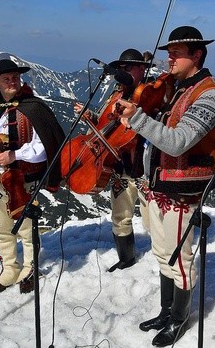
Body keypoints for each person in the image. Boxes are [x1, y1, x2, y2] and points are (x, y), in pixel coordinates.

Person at [116, 26, 215, 347]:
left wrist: (138, 118)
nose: (169, 58)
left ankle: (180, 319)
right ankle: (167, 310)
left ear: (196, 55)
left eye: (177, 53)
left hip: (183, 191)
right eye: (169, 52)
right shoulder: (179, 88)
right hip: (159, 186)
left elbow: (179, 142)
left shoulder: (210, 95)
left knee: (180, 259)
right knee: (162, 252)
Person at [0, 59, 65, 294]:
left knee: (27, 228)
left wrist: (15, 155)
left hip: (23, 179)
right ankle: (9, 267)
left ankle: (30, 267)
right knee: (1, 228)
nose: (11, 82)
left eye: (15, 78)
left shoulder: (33, 108)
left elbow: (44, 147)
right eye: (6, 79)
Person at [72, 48, 152, 272]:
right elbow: (104, 125)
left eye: (129, 68)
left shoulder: (150, 93)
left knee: (151, 221)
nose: (123, 72)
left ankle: (164, 260)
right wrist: (90, 117)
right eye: (122, 68)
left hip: (143, 167)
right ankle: (126, 258)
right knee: (120, 216)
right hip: (118, 163)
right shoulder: (116, 95)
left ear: (141, 69)